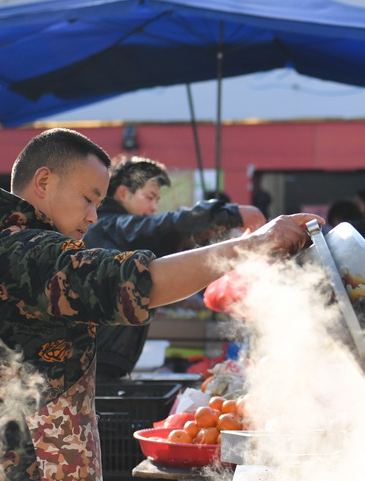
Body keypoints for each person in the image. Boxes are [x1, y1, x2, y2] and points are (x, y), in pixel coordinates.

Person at [0, 128, 317, 481]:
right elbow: (140, 282)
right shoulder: (28, 251)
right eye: (88, 199)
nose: (93, 217)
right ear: (43, 182)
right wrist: (253, 246)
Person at [82, 155, 265, 380]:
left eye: (157, 200)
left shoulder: (108, 230)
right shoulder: (111, 226)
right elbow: (163, 227)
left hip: (99, 363)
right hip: (94, 364)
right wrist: (229, 214)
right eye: (149, 197)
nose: (153, 208)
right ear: (122, 193)